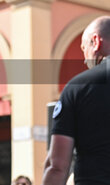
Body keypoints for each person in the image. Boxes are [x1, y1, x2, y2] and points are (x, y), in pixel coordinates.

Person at [42, 16, 110, 184]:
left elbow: (57, 166)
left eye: (83, 48)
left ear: (96, 42)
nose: (85, 59)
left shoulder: (78, 87)